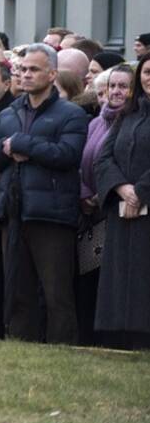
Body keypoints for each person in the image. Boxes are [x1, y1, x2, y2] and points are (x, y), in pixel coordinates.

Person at [0, 43, 89, 344]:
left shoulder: (71, 114)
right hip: (13, 211)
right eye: (22, 69)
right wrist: (9, 149)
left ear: (52, 73)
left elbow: (68, 155)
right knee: (18, 290)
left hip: (51, 215)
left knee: (56, 293)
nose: (26, 75)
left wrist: (22, 144)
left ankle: (62, 350)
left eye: (34, 70)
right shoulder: (9, 114)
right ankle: (21, 348)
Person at [93, 55, 150, 349]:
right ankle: (119, 335)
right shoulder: (128, 114)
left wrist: (140, 190)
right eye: (147, 72)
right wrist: (121, 187)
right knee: (119, 275)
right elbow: (104, 157)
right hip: (123, 208)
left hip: (145, 207)